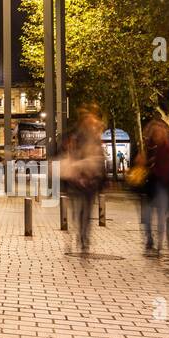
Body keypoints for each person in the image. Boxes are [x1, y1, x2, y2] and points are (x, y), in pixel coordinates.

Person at [62, 105, 105, 254]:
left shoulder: (95, 138)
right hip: (76, 180)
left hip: (91, 181)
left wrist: (102, 179)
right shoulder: (74, 135)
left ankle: (84, 237)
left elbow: (100, 159)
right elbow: (67, 153)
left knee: (86, 211)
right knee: (79, 211)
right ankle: (81, 235)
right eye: (88, 120)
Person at [139, 117, 169, 256]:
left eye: (160, 132)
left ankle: (159, 244)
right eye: (155, 132)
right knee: (147, 217)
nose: (158, 135)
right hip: (150, 186)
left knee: (161, 216)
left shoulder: (168, 147)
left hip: (164, 186)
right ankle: (149, 240)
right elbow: (141, 166)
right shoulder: (148, 147)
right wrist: (144, 162)